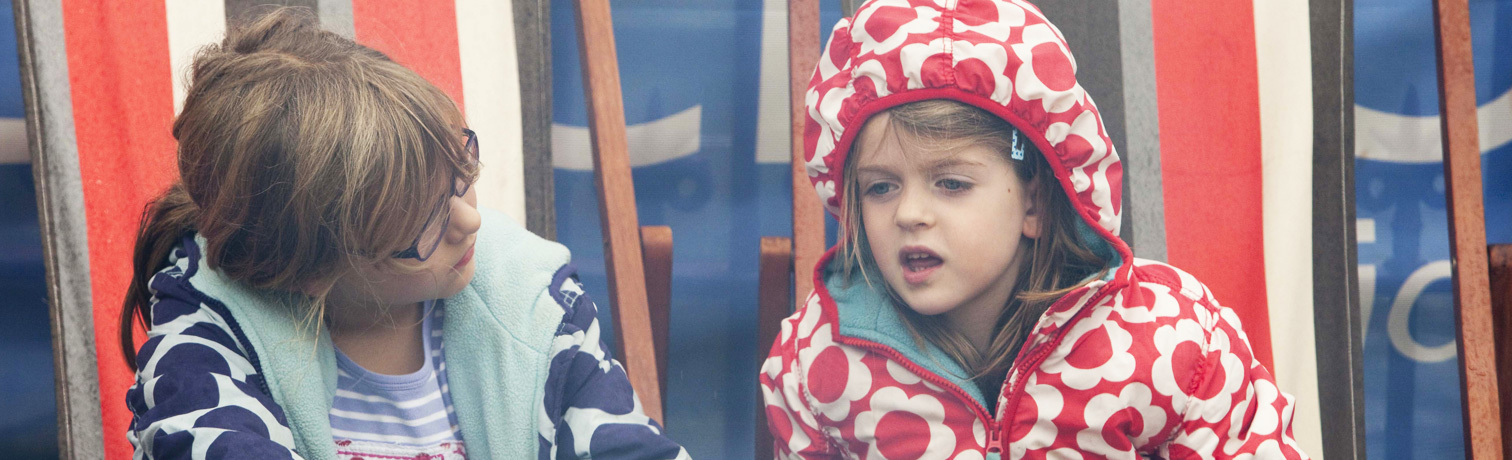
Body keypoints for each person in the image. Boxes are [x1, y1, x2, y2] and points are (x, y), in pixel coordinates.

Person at [119, 9, 688, 460]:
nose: (470, 222)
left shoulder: (531, 307)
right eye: (424, 224)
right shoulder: (206, 354)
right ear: (313, 267)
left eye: (460, 177)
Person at [759, 0, 1304, 458]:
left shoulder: (1170, 344)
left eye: (950, 183)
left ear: (1036, 203)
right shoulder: (820, 365)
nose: (908, 214)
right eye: (881, 187)